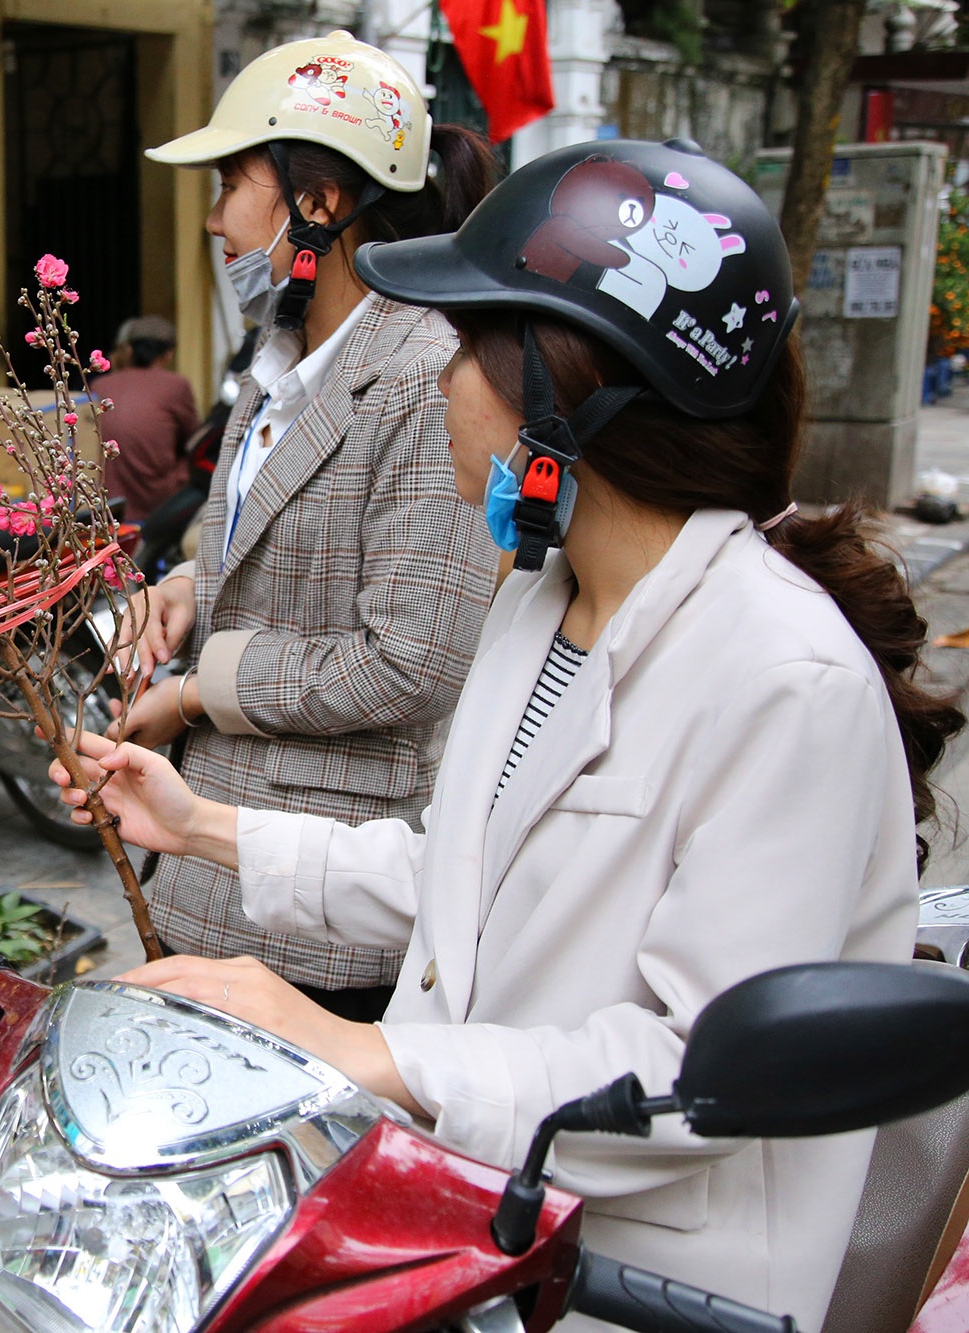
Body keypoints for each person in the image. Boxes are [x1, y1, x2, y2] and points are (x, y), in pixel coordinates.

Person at [54, 139, 965, 1329]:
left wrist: (362, 1052)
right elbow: (466, 882)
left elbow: (695, 1070)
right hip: (476, 1231)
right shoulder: (542, 604)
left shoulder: (781, 682)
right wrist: (205, 825)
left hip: (643, 1290)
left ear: (571, 390)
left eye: (467, 347)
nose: (437, 380)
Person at [114, 34, 500, 1021]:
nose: (212, 219)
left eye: (231, 181)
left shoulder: (423, 378)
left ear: (317, 202)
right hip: (212, 885)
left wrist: (197, 692)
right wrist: (186, 589)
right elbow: (265, 553)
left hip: (321, 928)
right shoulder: (280, 357)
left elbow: (410, 661)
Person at [95, 315, 199, 524]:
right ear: (169, 354)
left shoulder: (100, 385)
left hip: (107, 502)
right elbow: (193, 440)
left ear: (129, 351)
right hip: (157, 502)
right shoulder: (176, 385)